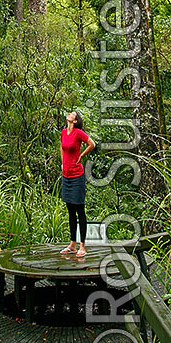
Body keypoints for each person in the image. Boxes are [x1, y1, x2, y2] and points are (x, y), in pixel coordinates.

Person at [59, 110, 96, 259]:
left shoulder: (79, 133)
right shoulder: (63, 132)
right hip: (66, 176)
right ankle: (72, 244)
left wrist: (82, 155)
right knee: (70, 211)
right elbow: (62, 147)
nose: (69, 114)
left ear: (75, 120)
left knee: (80, 210)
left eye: (72, 114)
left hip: (77, 176)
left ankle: (82, 245)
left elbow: (92, 144)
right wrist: (62, 163)